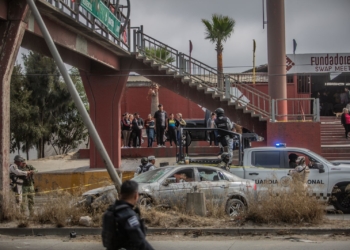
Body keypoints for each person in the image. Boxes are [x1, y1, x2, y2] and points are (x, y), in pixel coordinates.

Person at [102, 180, 154, 250]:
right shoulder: (128, 215)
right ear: (136, 196)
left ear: (120, 194)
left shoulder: (110, 211)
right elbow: (140, 241)